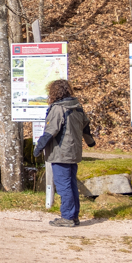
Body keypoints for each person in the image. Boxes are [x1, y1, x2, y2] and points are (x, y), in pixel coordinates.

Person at [34, 79, 96, 227]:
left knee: (63, 186)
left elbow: (51, 131)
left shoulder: (58, 108)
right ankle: (73, 216)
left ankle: (67, 217)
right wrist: (90, 142)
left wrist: (38, 148)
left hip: (61, 152)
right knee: (71, 184)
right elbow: (86, 127)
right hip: (73, 152)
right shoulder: (77, 107)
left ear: (54, 92)